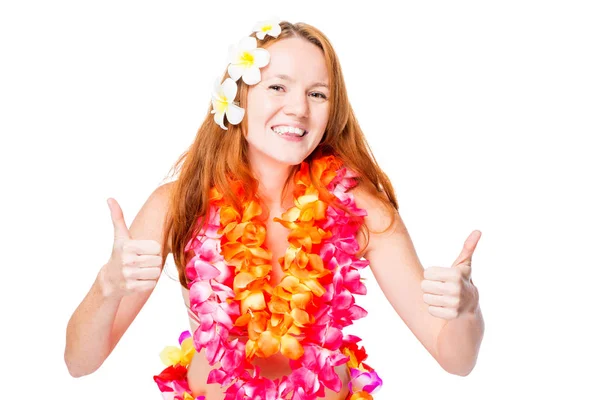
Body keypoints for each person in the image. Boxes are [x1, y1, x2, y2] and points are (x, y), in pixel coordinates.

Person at [64, 19, 485, 400]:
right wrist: (108, 286)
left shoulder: (359, 210)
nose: (299, 108)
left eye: (317, 94)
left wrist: (467, 310)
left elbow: (456, 360)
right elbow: (80, 363)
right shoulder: (178, 205)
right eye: (278, 87)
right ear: (237, 97)